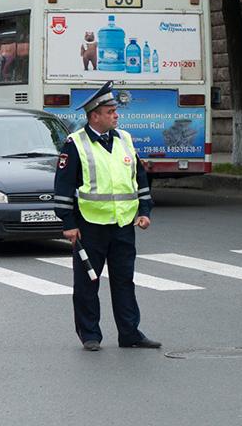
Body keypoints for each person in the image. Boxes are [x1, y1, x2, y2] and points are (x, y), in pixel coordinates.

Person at [52, 81, 160, 351]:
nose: (116, 114)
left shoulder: (124, 138)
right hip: (90, 226)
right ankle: (90, 335)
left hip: (123, 224)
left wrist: (144, 211)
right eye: (110, 111)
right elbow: (63, 187)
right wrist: (68, 224)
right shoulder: (75, 144)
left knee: (125, 281)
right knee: (88, 282)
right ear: (94, 116)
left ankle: (130, 334)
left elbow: (139, 178)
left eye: (115, 110)